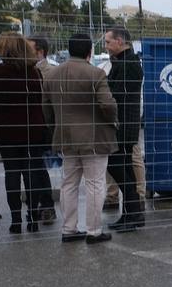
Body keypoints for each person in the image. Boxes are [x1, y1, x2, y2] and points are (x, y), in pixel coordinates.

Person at [41, 33, 118, 245]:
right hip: (93, 138)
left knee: (69, 183)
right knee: (95, 183)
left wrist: (54, 126)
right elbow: (108, 105)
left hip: (65, 137)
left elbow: (46, 108)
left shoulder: (52, 75)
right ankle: (94, 230)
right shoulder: (96, 74)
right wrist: (112, 120)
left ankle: (69, 229)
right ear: (89, 51)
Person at [0, 34, 52, 234]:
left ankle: (15, 220)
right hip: (32, 129)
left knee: (12, 173)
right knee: (31, 172)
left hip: (6, 131)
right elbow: (39, 99)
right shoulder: (33, 72)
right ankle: (32, 217)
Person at [103, 27, 145, 232]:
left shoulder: (129, 63)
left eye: (108, 42)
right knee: (123, 167)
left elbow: (117, 93)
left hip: (124, 125)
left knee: (118, 166)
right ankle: (132, 212)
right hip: (123, 124)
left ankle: (133, 211)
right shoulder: (124, 62)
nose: (106, 46)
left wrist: (103, 89)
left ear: (120, 41)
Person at [28, 37, 56, 223]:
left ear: (40, 51)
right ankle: (37, 204)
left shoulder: (51, 72)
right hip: (26, 126)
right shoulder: (24, 71)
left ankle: (46, 206)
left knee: (38, 167)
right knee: (31, 168)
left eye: (28, 48)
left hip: (43, 127)